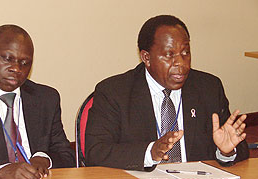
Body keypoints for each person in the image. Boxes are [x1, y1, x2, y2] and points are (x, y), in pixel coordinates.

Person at [85, 15, 249, 171]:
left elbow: (235, 145)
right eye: (169, 55)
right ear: (146, 58)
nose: (181, 64)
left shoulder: (208, 88)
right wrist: (150, 152)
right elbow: (97, 151)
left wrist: (226, 152)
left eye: (185, 53)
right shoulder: (114, 92)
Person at [0, 24, 75, 179]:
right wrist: (3, 170)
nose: (17, 68)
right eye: (8, 59)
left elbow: (65, 153)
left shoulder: (46, 99)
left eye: (25, 63)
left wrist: (43, 158)